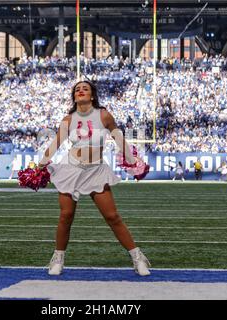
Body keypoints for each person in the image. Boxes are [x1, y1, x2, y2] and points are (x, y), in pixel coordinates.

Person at [38, 80, 151, 276]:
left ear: (92, 96)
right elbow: (56, 143)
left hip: (96, 170)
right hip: (70, 168)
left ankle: (138, 257)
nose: (81, 91)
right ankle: (58, 258)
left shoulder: (103, 115)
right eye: (77, 89)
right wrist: (40, 165)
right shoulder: (68, 119)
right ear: (74, 96)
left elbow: (118, 138)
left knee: (112, 216)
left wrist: (133, 161)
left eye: (85, 89)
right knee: (66, 216)